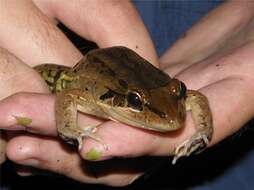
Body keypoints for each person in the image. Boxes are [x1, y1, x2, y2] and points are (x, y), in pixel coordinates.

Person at [1, 0, 254, 189]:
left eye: (179, 92)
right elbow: (70, 96)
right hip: (87, 73)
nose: (172, 118)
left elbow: (196, 97)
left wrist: (203, 132)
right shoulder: (89, 99)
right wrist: (70, 129)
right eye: (135, 102)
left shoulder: (175, 98)